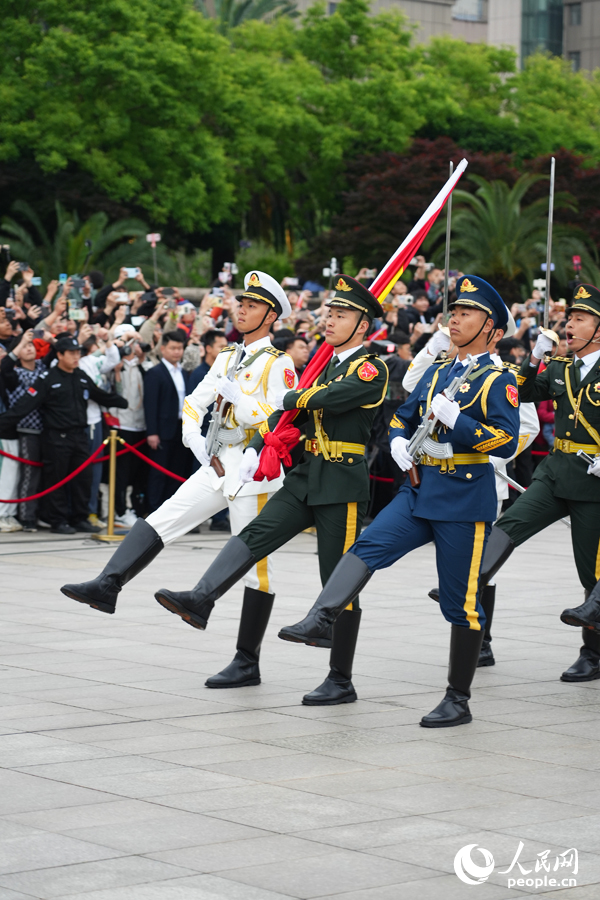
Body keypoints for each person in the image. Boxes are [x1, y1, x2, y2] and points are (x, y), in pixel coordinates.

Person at [276, 276, 520, 727]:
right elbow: (401, 416)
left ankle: (458, 699)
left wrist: (460, 423)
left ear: (494, 330)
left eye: (468, 313)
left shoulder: (497, 379)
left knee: (459, 602)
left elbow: (505, 441)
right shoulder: (439, 369)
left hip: (463, 498)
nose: (456, 319)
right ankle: (321, 617)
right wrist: (397, 442)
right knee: (366, 549)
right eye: (455, 311)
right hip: (419, 488)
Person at [152, 275, 388, 706]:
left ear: (363, 326)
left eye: (342, 315)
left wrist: (292, 398)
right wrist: (257, 448)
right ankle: (202, 597)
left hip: (341, 480)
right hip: (306, 475)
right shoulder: (326, 366)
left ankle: (340, 678)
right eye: (330, 314)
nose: (330, 321)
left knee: (339, 580)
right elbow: (291, 421)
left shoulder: (370, 367)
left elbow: (330, 399)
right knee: (254, 535)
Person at [60, 271, 299, 689]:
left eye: (253, 306)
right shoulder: (226, 356)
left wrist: (241, 401)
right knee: (164, 517)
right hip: (217, 460)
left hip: (252, 468)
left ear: (271, 315)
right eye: (241, 303)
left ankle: (247, 662)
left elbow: (276, 420)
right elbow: (194, 402)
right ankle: (107, 585)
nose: (242, 310)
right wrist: (196, 442)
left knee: (257, 568)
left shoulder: (279, 365)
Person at [478, 284, 600, 683]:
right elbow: (523, 391)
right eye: (569, 319)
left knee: (590, 571)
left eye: (580, 319)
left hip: (594, 480)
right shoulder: (562, 367)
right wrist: (534, 357)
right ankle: (466, 584)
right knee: (509, 526)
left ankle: (592, 654)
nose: (569, 326)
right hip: (556, 470)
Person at [404, 317, 540, 667]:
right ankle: (474, 633)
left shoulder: (503, 374)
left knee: (479, 561)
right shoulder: (444, 369)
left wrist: (494, 455)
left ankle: (483, 640)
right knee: (463, 564)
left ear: (491, 332)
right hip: (441, 478)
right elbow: (410, 383)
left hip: (484, 477)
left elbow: (526, 427)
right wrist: (435, 340)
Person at [0, 335, 128, 534]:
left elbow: (98, 394)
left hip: (79, 436)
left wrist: (120, 401)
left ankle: (80, 517)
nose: (76, 357)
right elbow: (25, 405)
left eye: (78, 353)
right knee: (56, 480)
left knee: (83, 479)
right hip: (56, 437)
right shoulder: (48, 379)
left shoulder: (81, 376)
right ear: (59, 355)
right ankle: (58, 520)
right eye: (71, 353)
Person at [143, 331, 192, 512]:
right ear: (163, 349)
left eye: (179, 348)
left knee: (177, 471)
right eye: (172, 348)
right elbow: (150, 405)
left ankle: (171, 509)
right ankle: (153, 508)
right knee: (159, 473)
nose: (176, 352)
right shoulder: (155, 373)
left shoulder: (184, 372)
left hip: (181, 428)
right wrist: (152, 432)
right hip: (162, 431)